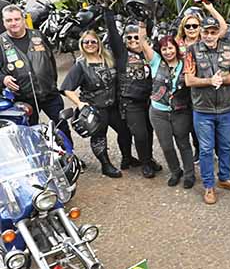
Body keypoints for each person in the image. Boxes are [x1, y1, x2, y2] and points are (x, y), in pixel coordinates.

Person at [184, 16, 230, 204]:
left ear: (218, 32)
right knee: (206, 149)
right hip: (203, 110)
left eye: (213, 32)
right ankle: (209, 186)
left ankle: (224, 178)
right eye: (206, 32)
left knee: (226, 146)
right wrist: (210, 81)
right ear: (201, 32)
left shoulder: (228, 48)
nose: (209, 36)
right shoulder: (192, 50)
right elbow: (189, 80)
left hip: (226, 108)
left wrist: (222, 80)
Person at [61, 30, 132, 177]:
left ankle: (127, 158)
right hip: (95, 107)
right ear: (82, 45)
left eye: (93, 41)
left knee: (125, 131)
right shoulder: (80, 65)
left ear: (99, 43)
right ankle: (106, 165)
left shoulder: (108, 59)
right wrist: (80, 103)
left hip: (113, 105)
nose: (90, 44)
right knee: (99, 137)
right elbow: (66, 88)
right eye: (86, 42)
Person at [1, 4, 70, 143]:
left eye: (16, 19)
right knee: (29, 134)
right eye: (9, 20)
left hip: (50, 94)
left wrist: (53, 83)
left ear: (23, 19)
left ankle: (69, 156)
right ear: (3, 22)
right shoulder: (0, 43)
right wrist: (3, 79)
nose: (13, 23)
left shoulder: (38, 36)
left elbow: (51, 61)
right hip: (23, 100)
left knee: (61, 128)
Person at [105, 9, 161, 179]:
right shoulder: (122, 55)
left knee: (149, 132)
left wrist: (148, 15)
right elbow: (113, 33)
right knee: (140, 134)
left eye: (136, 37)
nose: (133, 40)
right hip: (131, 103)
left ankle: (148, 158)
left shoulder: (149, 54)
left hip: (149, 101)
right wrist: (108, 10)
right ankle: (144, 163)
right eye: (129, 38)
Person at [139, 24, 195, 188]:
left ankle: (190, 174)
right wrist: (142, 24)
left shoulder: (185, 64)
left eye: (170, 48)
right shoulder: (156, 62)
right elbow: (143, 42)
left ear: (176, 49)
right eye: (164, 49)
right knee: (166, 146)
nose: (168, 52)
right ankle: (176, 171)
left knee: (183, 143)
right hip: (158, 112)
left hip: (180, 111)